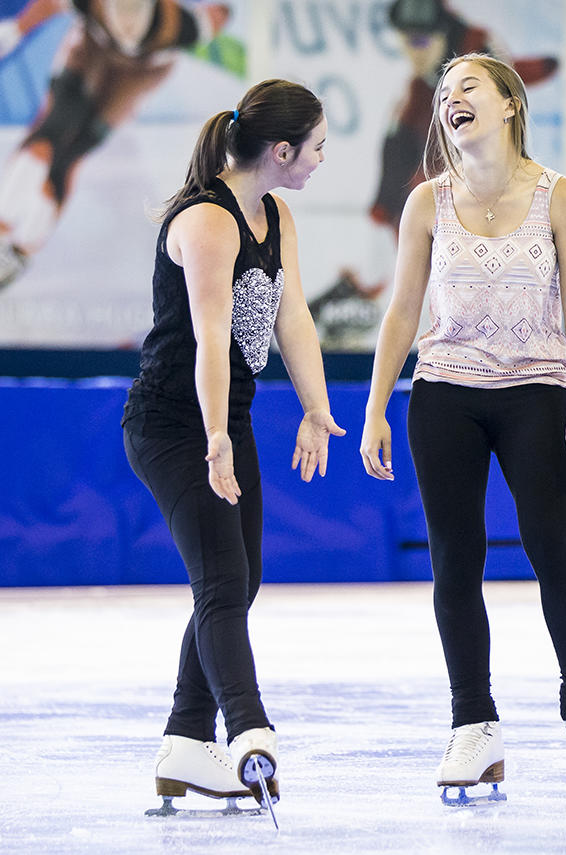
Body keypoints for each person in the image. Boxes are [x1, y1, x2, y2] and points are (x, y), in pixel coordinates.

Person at [360, 54, 566, 803]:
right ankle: (472, 723)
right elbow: (401, 312)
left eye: (467, 86)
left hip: (536, 391)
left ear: (508, 104)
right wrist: (376, 406)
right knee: (454, 559)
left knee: (550, 545)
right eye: (444, 93)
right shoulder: (425, 203)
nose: (450, 99)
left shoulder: (558, 197)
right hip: (443, 395)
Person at [121, 78, 345, 809]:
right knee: (220, 580)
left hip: (227, 418)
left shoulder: (273, 214)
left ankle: (186, 740)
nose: (319, 158)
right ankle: (248, 728)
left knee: (239, 580)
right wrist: (215, 438)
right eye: (314, 146)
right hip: (173, 423)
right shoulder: (208, 222)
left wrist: (315, 406)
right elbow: (211, 339)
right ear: (280, 150)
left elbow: (294, 316)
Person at [308, 0, 558, 349]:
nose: (414, 52)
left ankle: (366, 284)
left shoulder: (478, 52)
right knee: (399, 172)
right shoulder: (417, 92)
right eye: (405, 41)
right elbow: (396, 151)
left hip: (483, 195)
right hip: (432, 190)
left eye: (422, 42)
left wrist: (543, 67)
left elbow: (513, 81)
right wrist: (383, 207)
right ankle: (361, 285)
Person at [0, 0, 232, 288]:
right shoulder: (89, 6)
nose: (127, 25)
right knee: (49, 135)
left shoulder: (182, 27)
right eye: (120, 12)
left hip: (137, 75)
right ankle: (3, 228)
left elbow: (219, 16)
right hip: (91, 51)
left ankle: (23, 250)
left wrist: (217, 15)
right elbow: (50, 4)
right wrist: (17, 29)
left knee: (70, 157)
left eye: (134, 15)